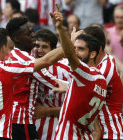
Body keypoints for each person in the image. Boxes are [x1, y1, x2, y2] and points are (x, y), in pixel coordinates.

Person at [0, 27, 65, 140]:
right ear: (3, 48)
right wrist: (69, 41)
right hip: (1, 133)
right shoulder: (8, 69)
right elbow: (46, 61)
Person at [49, 4, 107, 139]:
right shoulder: (101, 80)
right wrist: (69, 87)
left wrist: (60, 28)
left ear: (92, 54)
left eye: (81, 49)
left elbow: (69, 55)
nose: (76, 52)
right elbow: (83, 95)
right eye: (75, 48)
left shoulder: (85, 74)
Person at [6, 17, 66, 140]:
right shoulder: (26, 60)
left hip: (18, 119)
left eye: (32, 31)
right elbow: (58, 84)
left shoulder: (15, 55)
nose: (34, 35)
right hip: (22, 120)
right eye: (29, 34)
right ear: (17, 39)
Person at [83, 26, 123, 140]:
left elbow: (79, 101)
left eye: (84, 48)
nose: (79, 52)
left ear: (97, 50)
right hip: (102, 130)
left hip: (108, 132)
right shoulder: (107, 58)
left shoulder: (102, 72)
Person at [34, 28, 71, 140]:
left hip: (59, 124)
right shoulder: (26, 66)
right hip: (33, 124)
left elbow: (79, 104)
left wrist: (48, 111)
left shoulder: (66, 70)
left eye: (44, 47)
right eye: (37, 45)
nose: (39, 50)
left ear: (54, 50)